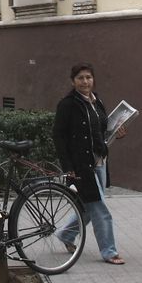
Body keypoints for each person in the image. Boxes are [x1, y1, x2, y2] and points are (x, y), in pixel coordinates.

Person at [52, 62, 126, 264]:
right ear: (73, 81)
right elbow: (58, 136)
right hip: (82, 166)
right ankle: (109, 252)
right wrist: (68, 168)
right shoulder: (67, 104)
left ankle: (66, 234)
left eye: (88, 77)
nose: (85, 82)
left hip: (100, 162)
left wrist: (116, 133)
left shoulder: (97, 101)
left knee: (88, 206)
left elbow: (102, 131)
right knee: (100, 208)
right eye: (80, 78)